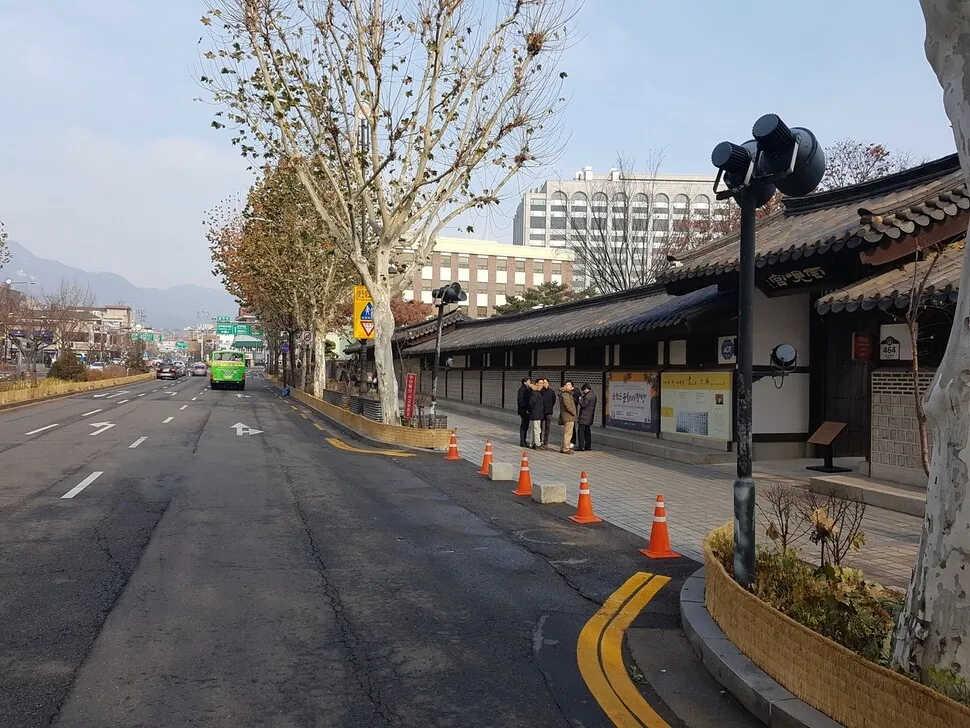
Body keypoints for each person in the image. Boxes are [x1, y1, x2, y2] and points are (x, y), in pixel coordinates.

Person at [558, 380, 577, 454]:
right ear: (564, 386)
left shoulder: (567, 394)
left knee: (566, 433)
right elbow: (568, 405)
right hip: (568, 416)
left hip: (567, 416)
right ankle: (566, 448)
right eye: (568, 384)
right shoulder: (566, 394)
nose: (570, 386)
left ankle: (563, 447)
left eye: (570, 384)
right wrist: (573, 412)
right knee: (568, 434)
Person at [577, 383, 597, 451]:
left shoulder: (587, 396)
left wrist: (580, 399)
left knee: (581, 431)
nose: (583, 392)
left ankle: (581, 446)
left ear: (586, 389)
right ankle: (588, 446)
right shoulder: (593, 395)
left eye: (583, 390)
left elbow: (583, 405)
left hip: (584, 417)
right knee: (587, 432)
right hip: (589, 417)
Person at [540, 378, 557, 450]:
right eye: (543, 382)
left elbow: (554, 400)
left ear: (548, 383)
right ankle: (539, 440)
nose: (545, 384)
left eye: (546, 382)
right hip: (541, 411)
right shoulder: (540, 391)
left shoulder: (551, 391)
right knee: (540, 427)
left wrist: (550, 406)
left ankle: (545, 441)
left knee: (547, 427)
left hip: (549, 411)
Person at [527, 382, 545, 449]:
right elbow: (531, 403)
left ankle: (532, 443)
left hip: (535, 414)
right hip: (536, 414)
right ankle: (537, 444)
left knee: (533, 429)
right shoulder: (536, 394)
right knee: (537, 429)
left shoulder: (534, 394)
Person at [516, 377, 533, 447]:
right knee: (524, 425)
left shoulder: (529, 389)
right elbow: (521, 401)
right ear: (525, 382)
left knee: (526, 425)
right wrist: (526, 407)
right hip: (524, 410)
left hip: (528, 410)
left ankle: (524, 440)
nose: (530, 382)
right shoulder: (521, 390)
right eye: (528, 381)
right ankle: (522, 441)